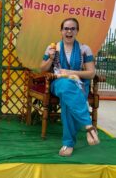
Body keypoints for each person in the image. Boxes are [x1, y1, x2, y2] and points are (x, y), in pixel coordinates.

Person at [40, 17, 100, 157]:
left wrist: (71, 72)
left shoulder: (85, 49)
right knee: (66, 86)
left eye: (73, 28)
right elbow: (42, 69)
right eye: (66, 28)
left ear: (77, 31)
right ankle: (89, 125)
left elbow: (91, 73)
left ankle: (68, 143)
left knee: (68, 100)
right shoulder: (53, 47)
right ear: (61, 31)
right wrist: (50, 58)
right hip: (58, 83)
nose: (69, 31)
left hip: (79, 83)